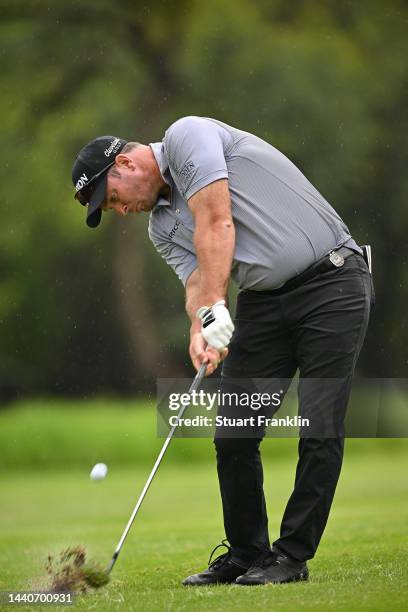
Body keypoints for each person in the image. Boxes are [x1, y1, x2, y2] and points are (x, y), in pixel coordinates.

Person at [71, 116, 373, 586]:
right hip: (263, 304)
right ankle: (247, 553)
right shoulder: (159, 228)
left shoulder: (187, 136)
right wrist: (200, 326)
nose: (120, 210)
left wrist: (214, 304)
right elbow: (196, 280)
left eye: (112, 198)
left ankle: (291, 555)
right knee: (233, 435)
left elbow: (217, 221)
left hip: (332, 284)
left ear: (126, 163)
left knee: (318, 426)